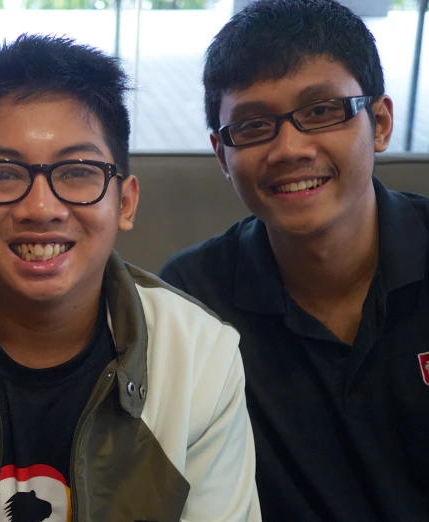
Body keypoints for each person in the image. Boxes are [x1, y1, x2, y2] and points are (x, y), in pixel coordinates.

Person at [0, 34, 259, 522]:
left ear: (125, 202)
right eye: (1, 173)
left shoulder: (199, 357)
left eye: (78, 171)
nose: (41, 208)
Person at [159, 0, 429, 520]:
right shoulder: (195, 299)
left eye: (321, 111)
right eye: (254, 125)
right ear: (222, 154)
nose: (290, 148)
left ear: (379, 122)